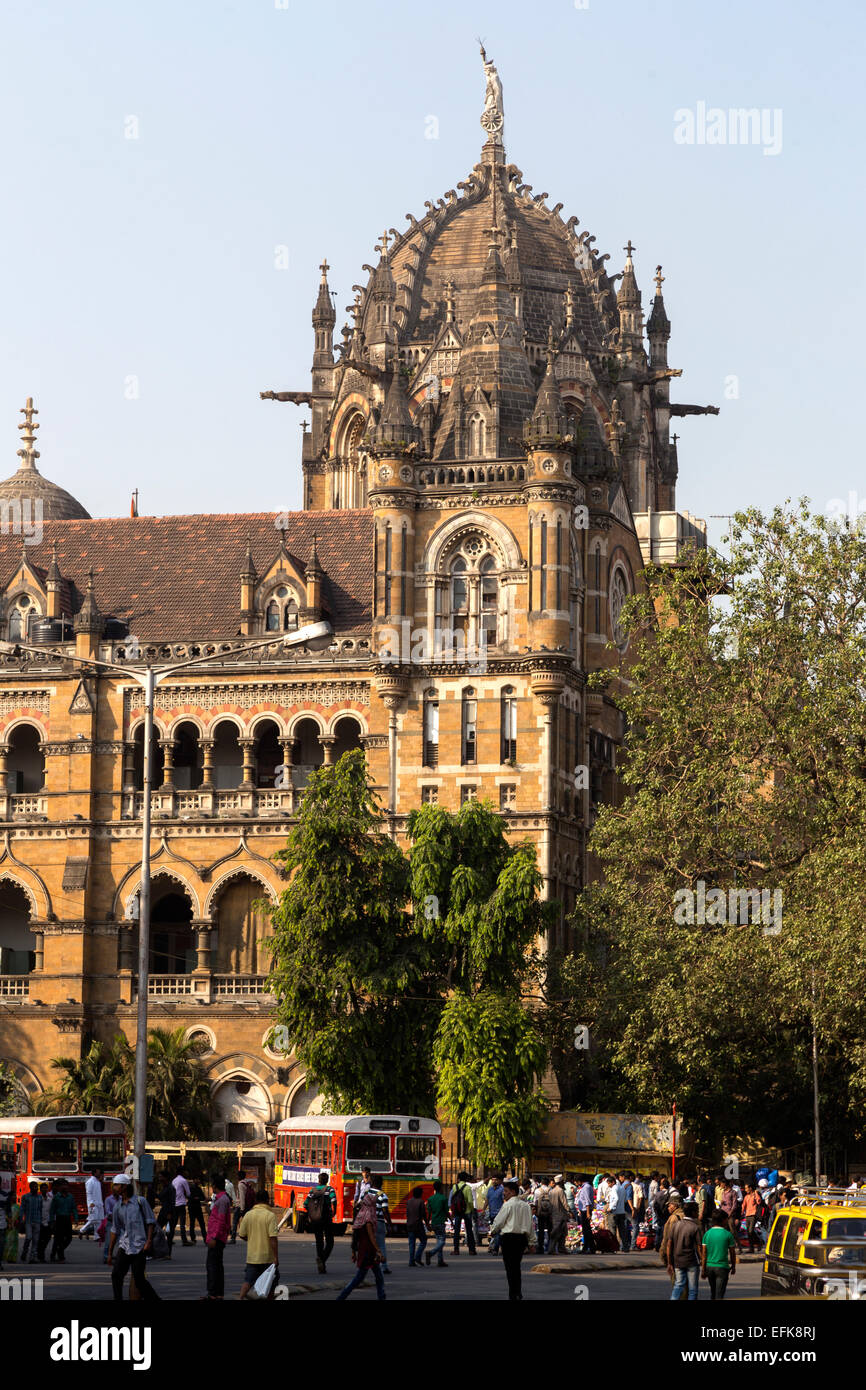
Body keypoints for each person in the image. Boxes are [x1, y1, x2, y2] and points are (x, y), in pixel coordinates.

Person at [107, 1173, 159, 1302]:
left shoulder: (140, 1202)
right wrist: (110, 1252)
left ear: (124, 1187)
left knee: (139, 1279)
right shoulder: (117, 1207)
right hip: (125, 1246)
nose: (114, 1188)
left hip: (140, 1246)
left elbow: (150, 1222)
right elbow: (115, 1230)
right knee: (116, 1275)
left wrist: (148, 1242)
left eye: (117, 1185)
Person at [336, 1191, 386, 1300]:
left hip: (364, 1250)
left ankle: (382, 1296)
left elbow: (355, 1236)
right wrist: (378, 1250)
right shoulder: (368, 1217)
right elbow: (371, 1236)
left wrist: (354, 1251)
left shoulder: (360, 1215)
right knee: (358, 1279)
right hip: (368, 1251)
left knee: (378, 1276)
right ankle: (341, 1297)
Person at [489, 1177, 533, 1301]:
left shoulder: (508, 1205)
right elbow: (530, 1225)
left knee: (509, 1267)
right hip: (521, 1239)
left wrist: (493, 1231)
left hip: (508, 1238)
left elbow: (499, 1221)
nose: (504, 1193)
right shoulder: (526, 1206)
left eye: (506, 1191)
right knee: (516, 1266)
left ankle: (513, 1293)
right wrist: (531, 1242)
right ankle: (518, 1291)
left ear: (513, 1192)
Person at [238, 1190, 279, 1299]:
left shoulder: (248, 1215)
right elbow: (273, 1238)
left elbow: (241, 1234)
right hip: (268, 1258)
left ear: (255, 1201)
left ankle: (240, 1298)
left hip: (252, 1257)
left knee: (248, 1281)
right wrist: (276, 1257)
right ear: (267, 1200)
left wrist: (251, 1239)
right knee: (271, 1283)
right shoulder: (270, 1216)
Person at [204, 1174, 232, 1300]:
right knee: (216, 1266)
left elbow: (221, 1221)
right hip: (216, 1236)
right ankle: (217, 1292)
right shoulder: (221, 1199)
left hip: (217, 1238)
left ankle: (213, 1293)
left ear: (215, 1186)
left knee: (212, 1266)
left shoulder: (222, 1200)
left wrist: (214, 1238)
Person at [668, 1200, 702, 1300]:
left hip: (678, 1260)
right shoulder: (695, 1227)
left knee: (678, 1285)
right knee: (692, 1290)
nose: (698, 1213)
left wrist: (670, 1262)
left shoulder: (676, 1225)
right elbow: (700, 1247)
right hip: (691, 1261)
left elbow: (669, 1245)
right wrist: (703, 1262)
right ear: (692, 1212)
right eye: (697, 1211)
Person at [304, 1171, 337, 1274]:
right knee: (330, 1241)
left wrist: (311, 1214)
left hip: (315, 1220)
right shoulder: (329, 1189)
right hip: (326, 1218)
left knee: (319, 1241)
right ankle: (322, 1259)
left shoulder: (312, 1191)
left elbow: (305, 1204)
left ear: (318, 1180)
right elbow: (334, 1200)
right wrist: (334, 1211)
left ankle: (321, 1261)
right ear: (327, 1181)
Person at [702, 1209, 737, 1299]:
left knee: (713, 1293)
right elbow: (732, 1253)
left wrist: (703, 1269)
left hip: (709, 1267)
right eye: (726, 1219)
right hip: (722, 1267)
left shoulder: (707, 1234)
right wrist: (733, 1266)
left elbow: (704, 1254)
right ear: (723, 1220)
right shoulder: (728, 1234)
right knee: (719, 1294)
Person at [450, 1171, 476, 1256]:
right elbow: (470, 1201)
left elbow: (453, 1200)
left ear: (459, 1178)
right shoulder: (468, 1188)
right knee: (469, 1231)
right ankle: (471, 1250)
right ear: (466, 1179)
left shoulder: (454, 1187)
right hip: (467, 1211)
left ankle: (456, 1249)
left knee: (456, 1231)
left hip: (457, 1211)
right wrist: (472, 1210)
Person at [370, 1179, 394, 1273]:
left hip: (368, 1222)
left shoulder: (367, 1193)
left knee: (370, 1244)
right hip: (379, 1222)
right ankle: (383, 1266)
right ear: (381, 1184)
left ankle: (369, 1265)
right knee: (381, 1245)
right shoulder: (383, 1195)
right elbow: (385, 1211)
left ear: (372, 1183)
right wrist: (390, 1224)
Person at [424, 1179, 449, 1267]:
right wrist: (451, 1220)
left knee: (438, 1240)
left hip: (434, 1222)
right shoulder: (443, 1198)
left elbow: (428, 1212)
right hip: (441, 1222)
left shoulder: (430, 1199)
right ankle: (431, 1253)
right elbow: (446, 1211)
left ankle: (440, 1260)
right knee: (442, 1241)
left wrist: (427, 1223)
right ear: (441, 1188)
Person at [49, 1180, 75, 1263]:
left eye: (66, 1185)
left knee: (69, 1238)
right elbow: (52, 1210)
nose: (65, 1187)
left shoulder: (70, 1197)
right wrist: (52, 1221)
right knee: (58, 1239)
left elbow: (73, 1208)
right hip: (59, 1219)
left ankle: (59, 1250)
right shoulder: (56, 1197)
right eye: (63, 1185)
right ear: (60, 1187)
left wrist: (76, 1218)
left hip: (67, 1218)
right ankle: (58, 1256)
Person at [405, 1186, 428, 1267]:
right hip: (418, 1225)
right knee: (423, 1241)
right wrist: (428, 1224)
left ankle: (411, 1261)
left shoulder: (408, 1201)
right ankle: (417, 1257)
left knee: (411, 1244)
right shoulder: (421, 1202)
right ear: (420, 1194)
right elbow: (424, 1215)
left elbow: (407, 1214)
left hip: (409, 1224)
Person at [21, 1179, 43, 1263]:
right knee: (28, 1237)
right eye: (34, 1187)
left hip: (37, 1220)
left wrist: (41, 1219)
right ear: (30, 1188)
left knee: (36, 1240)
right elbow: (22, 1208)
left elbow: (40, 1209)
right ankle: (25, 1251)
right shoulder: (25, 1197)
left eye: (36, 1187)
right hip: (28, 1221)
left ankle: (32, 1257)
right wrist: (21, 1218)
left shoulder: (40, 1197)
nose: (35, 1188)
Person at [547, 1175, 570, 1255]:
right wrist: (569, 1211)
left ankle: (561, 1248)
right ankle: (552, 1249)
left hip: (554, 1214)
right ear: (561, 1182)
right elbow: (564, 1203)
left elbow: (549, 1204)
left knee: (562, 1232)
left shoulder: (552, 1191)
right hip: (560, 1215)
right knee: (556, 1233)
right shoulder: (560, 1191)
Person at [231, 1169, 256, 1244]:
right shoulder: (246, 1183)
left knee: (235, 1222)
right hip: (247, 1206)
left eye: (237, 1175)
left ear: (239, 1176)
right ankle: (250, 1236)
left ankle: (233, 1238)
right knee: (247, 1222)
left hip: (240, 1206)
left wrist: (242, 1208)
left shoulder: (240, 1184)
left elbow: (242, 1196)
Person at [79, 1168, 104, 1241]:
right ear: (94, 1173)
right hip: (93, 1204)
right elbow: (88, 1193)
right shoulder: (90, 1181)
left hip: (99, 1204)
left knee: (99, 1220)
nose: (100, 1173)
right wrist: (91, 1203)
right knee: (93, 1219)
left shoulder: (98, 1182)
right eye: (99, 1172)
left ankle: (97, 1237)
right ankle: (81, 1230)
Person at [156, 1171, 177, 1252]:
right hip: (163, 1211)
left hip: (168, 1213)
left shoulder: (171, 1188)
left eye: (161, 1177)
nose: (160, 1179)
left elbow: (172, 1202)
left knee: (169, 1233)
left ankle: (168, 1252)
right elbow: (161, 1197)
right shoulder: (165, 1187)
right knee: (157, 1230)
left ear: (166, 1178)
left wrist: (169, 1213)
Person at [485, 1174, 506, 1255]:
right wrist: (484, 1209)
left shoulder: (502, 1190)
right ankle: (495, 1246)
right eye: (493, 1180)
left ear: (500, 1181)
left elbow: (504, 1201)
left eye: (496, 1180)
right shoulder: (490, 1189)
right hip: (491, 1214)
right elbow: (487, 1199)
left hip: (499, 1214)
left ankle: (495, 1249)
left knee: (497, 1232)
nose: (494, 1181)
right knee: (494, 1232)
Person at [172, 1166, 191, 1247]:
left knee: (173, 1223)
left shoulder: (174, 1180)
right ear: (182, 1172)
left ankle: (170, 1238)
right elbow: (188, 1193)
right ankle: (184, 1240)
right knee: (182, 1223)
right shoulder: (183, 1180)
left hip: (174, 1204)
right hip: (181, 1204)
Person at [577, 1175, 596, 1254]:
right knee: (586, 1230)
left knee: (587, 1230)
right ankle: (589, 1248)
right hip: (584, 1210)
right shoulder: (587, 1187)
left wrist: (588, 1212)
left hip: (586, 1211)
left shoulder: (586, 1187)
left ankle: (590, 1248)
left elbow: (587, 1200)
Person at [534, 1177, 553, 1255]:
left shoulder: (537, 1191)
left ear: (541, 1183)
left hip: (540, 1213)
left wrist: (536, 1212)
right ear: (548, 1183)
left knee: (541, 1230)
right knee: (550, 1230)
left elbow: (535, 1202)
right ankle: (550, 1247)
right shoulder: (551, 1190)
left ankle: (540, 1248)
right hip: (549, 1212)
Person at [741, 1182, 761, 1252]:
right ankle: (752, 1247)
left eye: (746, 1188)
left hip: (753, 1215)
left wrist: (755, 1193)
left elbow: (759, 1201)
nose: (745, 1189)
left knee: (751, 1231)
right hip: (747, 1215)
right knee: (749, 1232)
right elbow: (743, 1205)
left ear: (750, 1188)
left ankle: (758, 1242)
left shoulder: (755, 1195)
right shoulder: (746, 1196)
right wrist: (741, 1212)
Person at [36, 1182, 54, 1262]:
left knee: (47, 1239)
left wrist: (51, 1221)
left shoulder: (50, 1200)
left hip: (47, 1222)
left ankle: (40, 1253)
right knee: (40, 1240)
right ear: (40, 1189)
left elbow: (51, 1211)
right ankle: (40, 1256)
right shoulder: (38, 1199)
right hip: (39, 1222)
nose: (44, 1189)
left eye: (46, 1188)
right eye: (43, 1188)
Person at [102, 1182, 119, 1264]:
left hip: (120, 1222)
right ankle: (106, 1256)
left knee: (120, 1240)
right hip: (110, 1222)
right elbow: (108, 1211)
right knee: (109, 1241)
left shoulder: (122, 1198)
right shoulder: (108, 1199)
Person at [187, 1177, 207, 1244]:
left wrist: (198, 1198)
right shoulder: (190, 1188)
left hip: (197, 1207)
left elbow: (203, 1197)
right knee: (193, 1224)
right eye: (197, 1179)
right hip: (192, 1207)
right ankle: (193, 1238)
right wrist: (196, 1198)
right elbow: (188, 1196)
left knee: (201, 1224)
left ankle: (205, 1238)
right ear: (194, 1180)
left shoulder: (199, 1188)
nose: (198, 1180)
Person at [630, 1174, 646, 1251]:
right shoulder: (638, 1186)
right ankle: (632, 1245)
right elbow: (641, 1198)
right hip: (635, 1208)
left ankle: (625, 1245)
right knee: (635, 1226)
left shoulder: (626, 1186)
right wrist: (637, 1209)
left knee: (626, 1226)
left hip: (627, 1208)